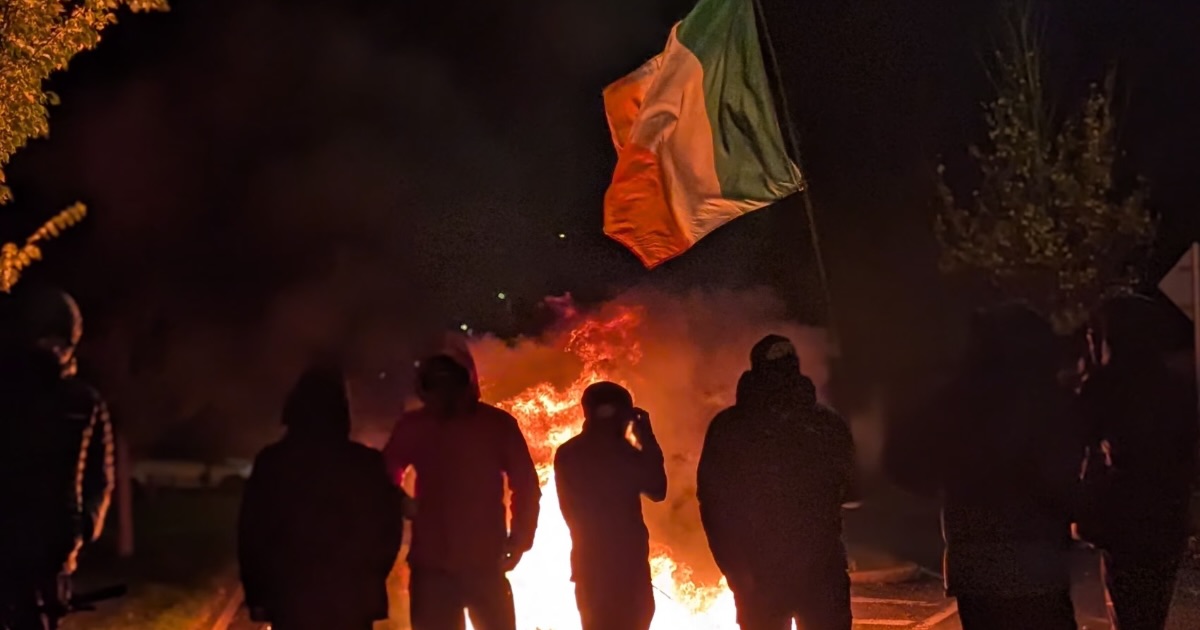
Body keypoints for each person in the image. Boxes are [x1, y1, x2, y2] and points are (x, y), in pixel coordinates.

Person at [887, 304, 1081, 630]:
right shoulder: (1048, 402)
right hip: (1036, 561)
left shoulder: (956, 399)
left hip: (975, 565)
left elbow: (900, 460)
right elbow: (1064, 477)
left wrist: (949, 482)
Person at [697, 334, 858, 630]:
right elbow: (855, 487)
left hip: (762, 574)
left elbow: (713, 506)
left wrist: (735, 569)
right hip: (816, 570)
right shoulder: (824, 424)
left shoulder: (730, 428)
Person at [237, 364, 406, 630]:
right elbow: (388, 529)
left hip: (292, 595)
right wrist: (371, 579)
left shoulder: (273, 462)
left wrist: (258, 593)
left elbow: (253, 535)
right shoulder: (365, 463)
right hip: (351, 596)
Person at [384, 348, 540, 630]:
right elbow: (383, 477)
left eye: (449, 382)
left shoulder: (495, 424)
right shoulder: (416, 426)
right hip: (439, 564)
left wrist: (520, 539)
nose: (444, 392)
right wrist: (399, 500)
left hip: (476, 563)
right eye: (436, 384)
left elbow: (526, 485)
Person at [1079, 296, 1198, 630]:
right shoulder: (1175, 386)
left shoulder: (1106, 386)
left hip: (1123, 520)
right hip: (1167, 517)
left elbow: (1075, 435)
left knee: (1129, 611)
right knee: (1149, 611)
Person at [0, 286, 114, 630]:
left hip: (54, 551)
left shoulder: (83, 401)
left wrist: (82, 528)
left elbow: (100, 476)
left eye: (59, 340)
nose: (53, 349)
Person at [555, 381, 667, 630]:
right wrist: (645, 438)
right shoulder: (624, 455)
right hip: (627, 565)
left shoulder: (569, 453)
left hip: (591, 565)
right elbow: (658, 489)